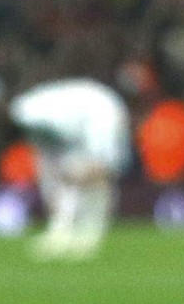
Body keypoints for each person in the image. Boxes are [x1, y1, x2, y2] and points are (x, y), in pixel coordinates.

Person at [10, 75, 131, 261]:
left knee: (90, 174)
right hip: (81, 120)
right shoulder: (28, 114)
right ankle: (62, 232)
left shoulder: (92, 114)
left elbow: (97, 167)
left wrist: (77, 173)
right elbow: (49, 166)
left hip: (99, 114)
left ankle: (89, 232)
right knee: (71, 176)